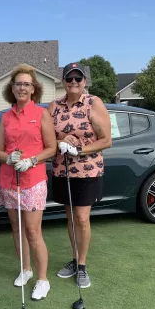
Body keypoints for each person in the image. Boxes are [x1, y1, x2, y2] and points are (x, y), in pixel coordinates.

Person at [0, 64, 56, 300]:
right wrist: (7, 158)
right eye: (18, 83)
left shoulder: (41, 114)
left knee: (32, 230)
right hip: (9, 179)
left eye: (26, 84)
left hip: (33, 180)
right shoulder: (5, 118)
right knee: (17, 228)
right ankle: (26, 269)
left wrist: (32, 160)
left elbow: (51, 148)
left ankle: (42, 279)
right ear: (12, 88)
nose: (22, 88)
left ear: (33, 89)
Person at [48, 62, 112, 288]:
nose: (73, 82)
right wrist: (61, 141)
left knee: (82, 219)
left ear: (85, 81)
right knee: (71, 219)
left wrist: (79, 149)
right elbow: (45, 139)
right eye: (69, 78)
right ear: (63, 81)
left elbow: (106, 140)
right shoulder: (54, 106)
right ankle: (75, 260)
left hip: (87, 171)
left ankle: (82, 265)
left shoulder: (94, 103)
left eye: (78, 78)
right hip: (62, 170)